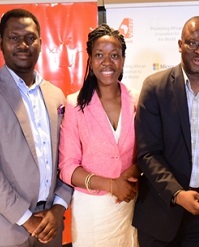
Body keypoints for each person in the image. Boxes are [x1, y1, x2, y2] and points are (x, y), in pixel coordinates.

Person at [0, 8, 73, 247]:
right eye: (14, 38)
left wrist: (58, 207)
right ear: (1, 43)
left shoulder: (55, 95)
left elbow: (67, 159)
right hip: (4, 228)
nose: (23, 45)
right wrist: (26, 219)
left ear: (40, 42)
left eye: (29, 38)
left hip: (50, 226)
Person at [132, 16, 199, 247]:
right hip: (161, 212)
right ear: (180, 44)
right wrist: (177, 194)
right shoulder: (154, 88)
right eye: (192, 43)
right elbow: (147, 154)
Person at [58, 24, 140, 247]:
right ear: (91, 61)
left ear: (122, 60)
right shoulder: (75, 104)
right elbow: (67, 168)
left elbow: (145, 151)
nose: (107, 62)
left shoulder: (136, 100)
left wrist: (132, 172)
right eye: (99, 55)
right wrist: (111, 184)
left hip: (128, 204)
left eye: (114, 55)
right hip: (92, 211)